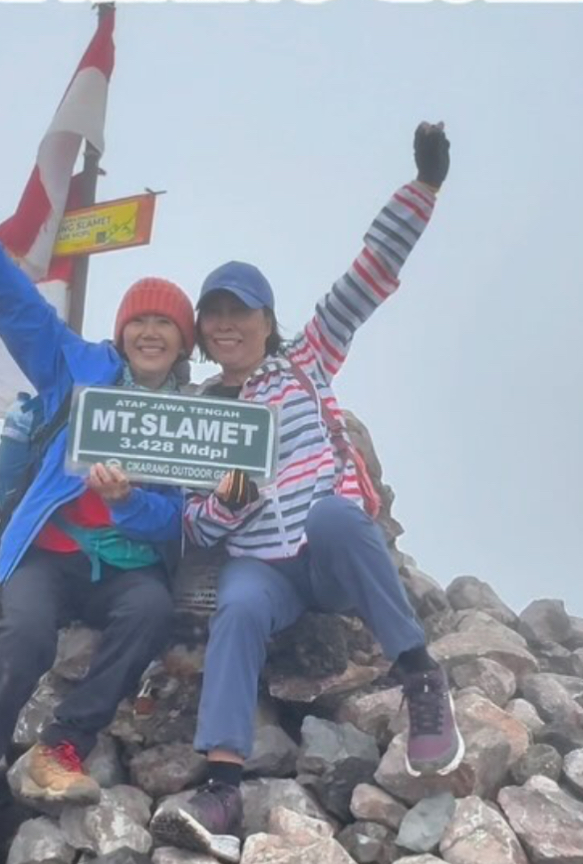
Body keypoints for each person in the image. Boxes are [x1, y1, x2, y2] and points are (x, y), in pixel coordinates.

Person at [150, 123, 459, 863]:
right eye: (215, 314)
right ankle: (222, 784)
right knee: (239, 606)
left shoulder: (305, 363)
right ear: (203, 329)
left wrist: (423, 188)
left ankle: (419, 678)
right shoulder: (198, 417)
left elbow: (370, 272)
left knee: (334, 514)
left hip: (323, 550)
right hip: (261, 563)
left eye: (241, 312)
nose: (227, 325)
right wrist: (228, 499)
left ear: (266, 321)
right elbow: (193, 529)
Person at [0, 150, 195, 864]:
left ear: (183, 342)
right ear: (122, 331)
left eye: (167, 325)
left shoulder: (194, 419)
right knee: (24, 639)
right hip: (49, 550)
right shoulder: (74, 366)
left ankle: (59, 748)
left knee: (152, 612)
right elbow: (6, 292)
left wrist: (129, 502)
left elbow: (176, 520)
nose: (151, 333)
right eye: (141, 321)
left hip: (125, 564)